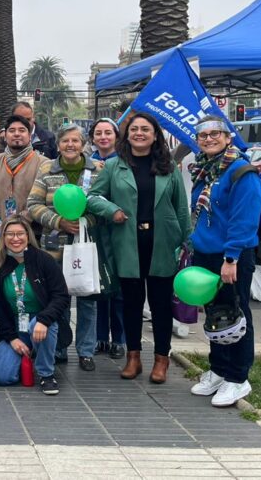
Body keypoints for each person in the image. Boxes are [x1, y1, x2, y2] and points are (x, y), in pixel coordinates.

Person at [86, 111, 190, 384]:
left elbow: (181, 208)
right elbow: (93, 198)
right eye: (134, 129)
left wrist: (186, 242)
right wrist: (112, 210)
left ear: (155, 135)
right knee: (130, 303)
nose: (140, 133)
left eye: (145, 129)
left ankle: (161, 360)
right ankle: (133, 357)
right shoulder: (114, 166)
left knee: (160, 305)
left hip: (162, 243)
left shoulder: (169, 167)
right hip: (127, 244)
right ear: (127, 135)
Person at [188, 115, 261, 407]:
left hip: (231, 255)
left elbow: (244, 218)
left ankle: (238, 377)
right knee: (216, 314)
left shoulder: (241, 171)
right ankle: (219, 370)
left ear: (228, 137)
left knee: (236, 313)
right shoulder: (205, 170)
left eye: (214, 134)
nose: (208, 139)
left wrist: (230, 257)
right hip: (206, 254)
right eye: (203, 135)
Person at [27, 123, 110, 372]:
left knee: (87, 301)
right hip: (53, 248)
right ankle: (60, 346)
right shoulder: (46, 170)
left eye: (75, 140)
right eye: (65, 141)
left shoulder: (98, 170)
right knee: (57, 299)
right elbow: (33, 204)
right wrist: (59, 221)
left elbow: (106, 204)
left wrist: (85, 222)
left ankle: (86, 351)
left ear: (83, 143)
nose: (70, 145)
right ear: (58, 144)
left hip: (86, 245)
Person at [0, 216, 70, 395]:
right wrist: (12, 338)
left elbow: (61, 296)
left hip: (40, 322)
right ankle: (27, 353)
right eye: (10, 234)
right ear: (3, 238)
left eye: (20, 234)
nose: (15, 239)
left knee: (39, 326)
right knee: (2, 377)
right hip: (14, 326)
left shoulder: (44, 260)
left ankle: (46, 374)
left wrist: (44, 319)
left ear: (28, 235)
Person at [88, 117, 125, 359]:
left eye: (108, 133)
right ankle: (100, 337)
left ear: (116, 137)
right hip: (94, 231)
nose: (103, 137)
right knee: (99, 286)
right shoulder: (87, 164)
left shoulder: (124, 163)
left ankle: (120, 339)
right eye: (98, 133)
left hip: (120, 229)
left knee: (120, 288)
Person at [0, 114, 48, 240]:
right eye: (12, 131)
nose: (17, 134)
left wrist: (19, 223)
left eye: (22, 130)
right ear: (5, 136)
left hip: (32, 233)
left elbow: (42, 199)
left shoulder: (43, 163)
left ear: (30, 136)